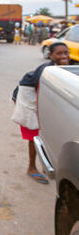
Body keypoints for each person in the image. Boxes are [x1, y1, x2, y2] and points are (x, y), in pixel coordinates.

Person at [12, 42, 70, 184]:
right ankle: (31, 168)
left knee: (48, 132)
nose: (63, 56)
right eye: (59, 53)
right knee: (34, 133)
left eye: (65, 53)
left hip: (40, 97)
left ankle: (47, 164)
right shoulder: (46, 71)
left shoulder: (64, 67)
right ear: (51, 55)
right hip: (28, 98)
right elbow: (40, 95)